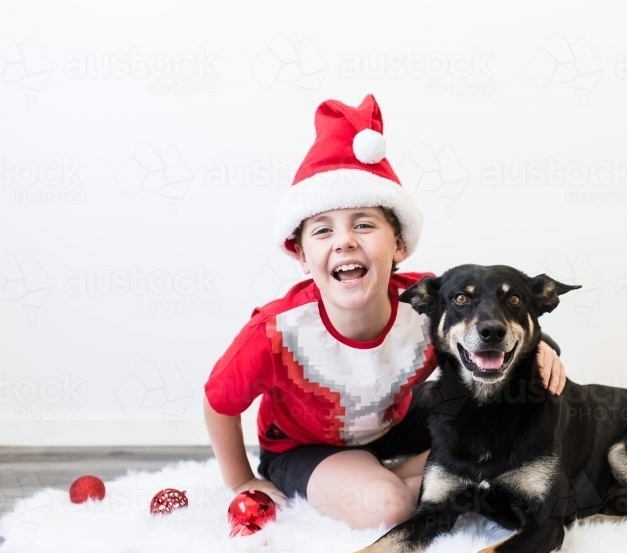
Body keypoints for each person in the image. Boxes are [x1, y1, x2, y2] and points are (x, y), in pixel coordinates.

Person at [203, 95, 567, 530]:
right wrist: (241, 480)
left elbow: (491, 317)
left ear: (398, 245)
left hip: (396, 422)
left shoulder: (430, 302)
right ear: (302, 256)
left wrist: (541, 347)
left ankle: (429, 475)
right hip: (306, 445)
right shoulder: (276, 332)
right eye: (323, 230)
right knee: (387, 508)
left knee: (492, 429)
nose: (344, 242)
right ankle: (396, 482)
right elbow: (218, 402)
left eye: (363, 224)